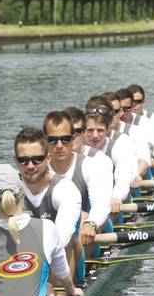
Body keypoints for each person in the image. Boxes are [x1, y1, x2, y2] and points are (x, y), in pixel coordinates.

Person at [0, 164, 81, 296]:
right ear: (21, 190)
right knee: (47, 288)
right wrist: (72, 291)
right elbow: (62, 272)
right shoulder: (48, 228)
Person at [44, 110, 112, 284]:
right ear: (45, 141)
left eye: (65, 139)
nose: (59, 145)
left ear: (73, 138)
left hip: (83, 239)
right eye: (52, 140)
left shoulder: (91, 165)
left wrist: (91, 223)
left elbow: (102, 203)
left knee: (78, 221)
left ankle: (63, 289)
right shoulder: (35, 167)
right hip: (44, 243)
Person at [82, 96, 139, 215]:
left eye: (100, 130)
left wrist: (116, 197)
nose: (95, 136)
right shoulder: (75, 145)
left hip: (111, 206)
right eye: (90, 130)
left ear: (108, 129)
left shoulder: (120, 145)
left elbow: (123, 179)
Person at [128, 83, 154, 162]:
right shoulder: (120, 118)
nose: (134, 105)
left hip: (150, 161)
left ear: (144, 102)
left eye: (137, 102)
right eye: (131, 102)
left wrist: (153, 157)